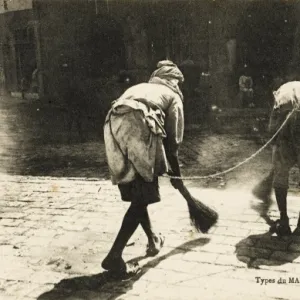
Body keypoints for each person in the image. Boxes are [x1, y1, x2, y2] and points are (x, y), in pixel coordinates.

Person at [102, 60, 185, 277]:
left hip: (112, 125)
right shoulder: (173, 96)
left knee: (140, 193)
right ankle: (114, 256)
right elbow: (173, 143)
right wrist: (177, 175)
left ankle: (153, 240)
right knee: (143, 195)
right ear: (174, 81)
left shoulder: (140, 87)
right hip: (139, 124)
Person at [268, 81, 300, 236]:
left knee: (281, 174)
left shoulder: (281, 93)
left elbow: (271, 129)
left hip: (285, 136)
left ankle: (284, 219)